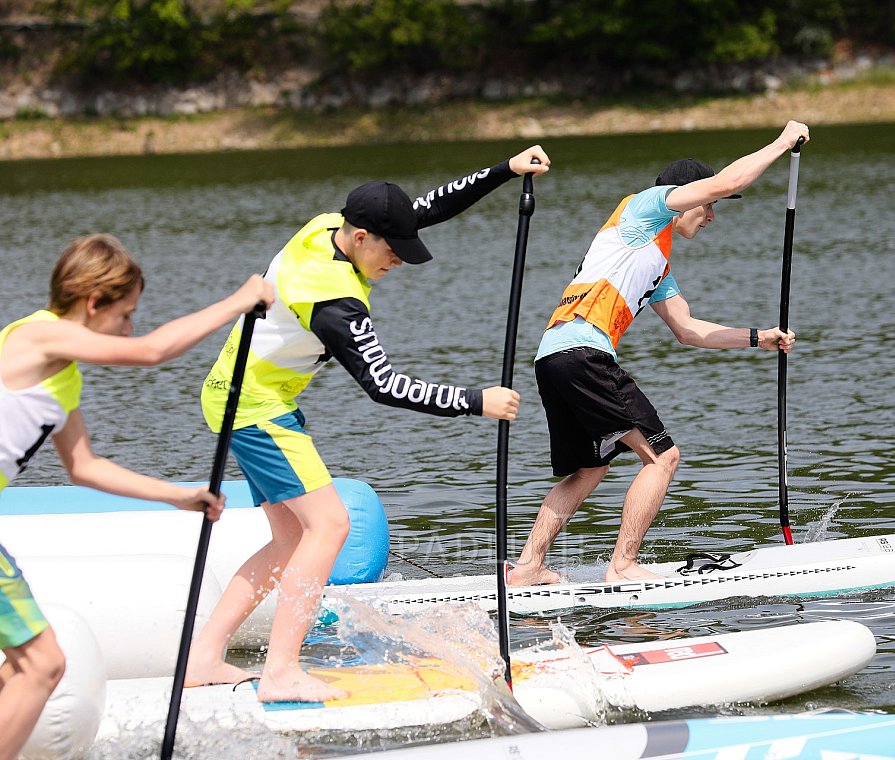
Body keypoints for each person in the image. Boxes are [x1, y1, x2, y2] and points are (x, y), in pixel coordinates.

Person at [184, 145, 551, 703]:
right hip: (254, 406)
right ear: (360, 240)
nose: (399, 261)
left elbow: (422, 207)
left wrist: (505, 171)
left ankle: (202, 658)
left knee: (288, 540)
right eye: (392, 251)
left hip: (245, 395)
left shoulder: (331, 225)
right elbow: (383, 386)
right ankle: (281, 671)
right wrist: (477, 401)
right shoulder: (333, 302)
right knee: (329, 525)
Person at [0, 234, 274, 760]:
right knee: (43, 666)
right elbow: (150, 351)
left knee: (19, 668)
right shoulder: (37, 336)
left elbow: (84, 466)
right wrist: (239, 301)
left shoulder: (63, 378)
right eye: (124, 314)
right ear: (92, 302)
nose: (129, 327)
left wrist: (179, 496)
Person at [509, 122, 809, 587]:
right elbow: (730, 180)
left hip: (552, 356)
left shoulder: (654, 259)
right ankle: (623, 565)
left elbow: (688, 330)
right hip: (584, 353)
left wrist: (759, 338)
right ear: (685, 195)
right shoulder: (643, 208)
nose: (711, 215)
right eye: (709, 205)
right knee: (663, 458)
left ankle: (528, 566)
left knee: (590, 467)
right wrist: (781, 143)